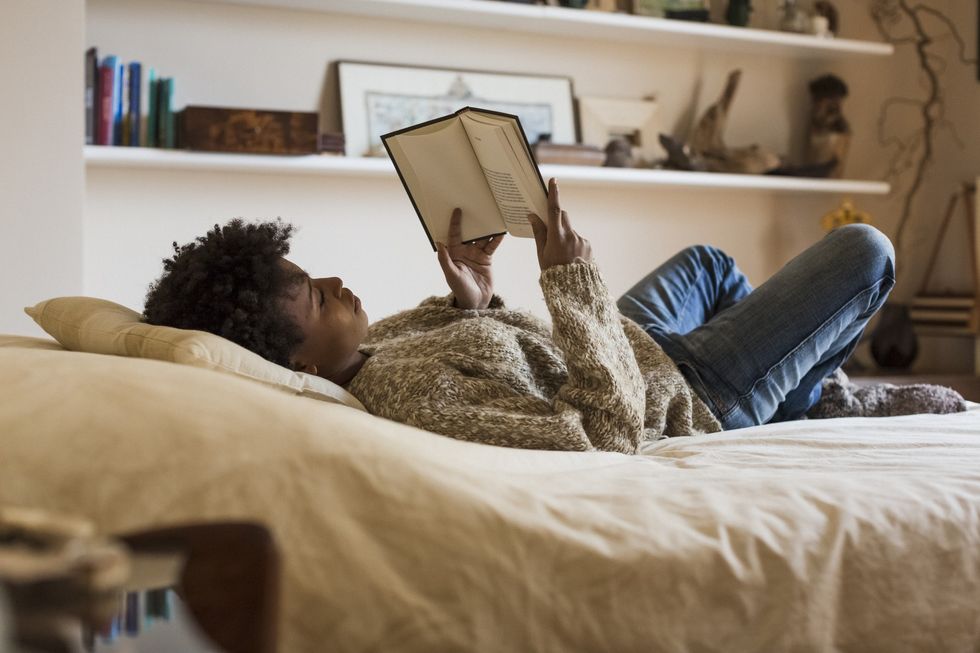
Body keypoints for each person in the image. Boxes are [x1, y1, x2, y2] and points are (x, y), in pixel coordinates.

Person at [143, 178, 965, 453]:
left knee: (711, 265)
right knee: (866, 252)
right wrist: (569, 284)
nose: (337, 279)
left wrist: (482, 294)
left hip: (629, 340)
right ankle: (813, 397)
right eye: (318, 295)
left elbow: (509, 347)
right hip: (681, 391)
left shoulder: (375, 347)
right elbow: (604, 430)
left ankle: (803, 386)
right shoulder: (413, 403)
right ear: (301, 366)